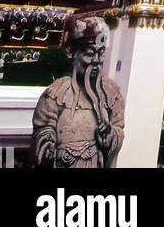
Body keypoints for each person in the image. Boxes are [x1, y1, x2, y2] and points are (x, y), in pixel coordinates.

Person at [31, 14, 124, 168]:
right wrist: (47, 142)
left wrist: (110, 134)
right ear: (72, 53)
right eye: (89, 54)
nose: (96, 60)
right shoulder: (55, 94)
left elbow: (119, 129)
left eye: (101, 54)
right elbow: (43, 129)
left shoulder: (112, 93)